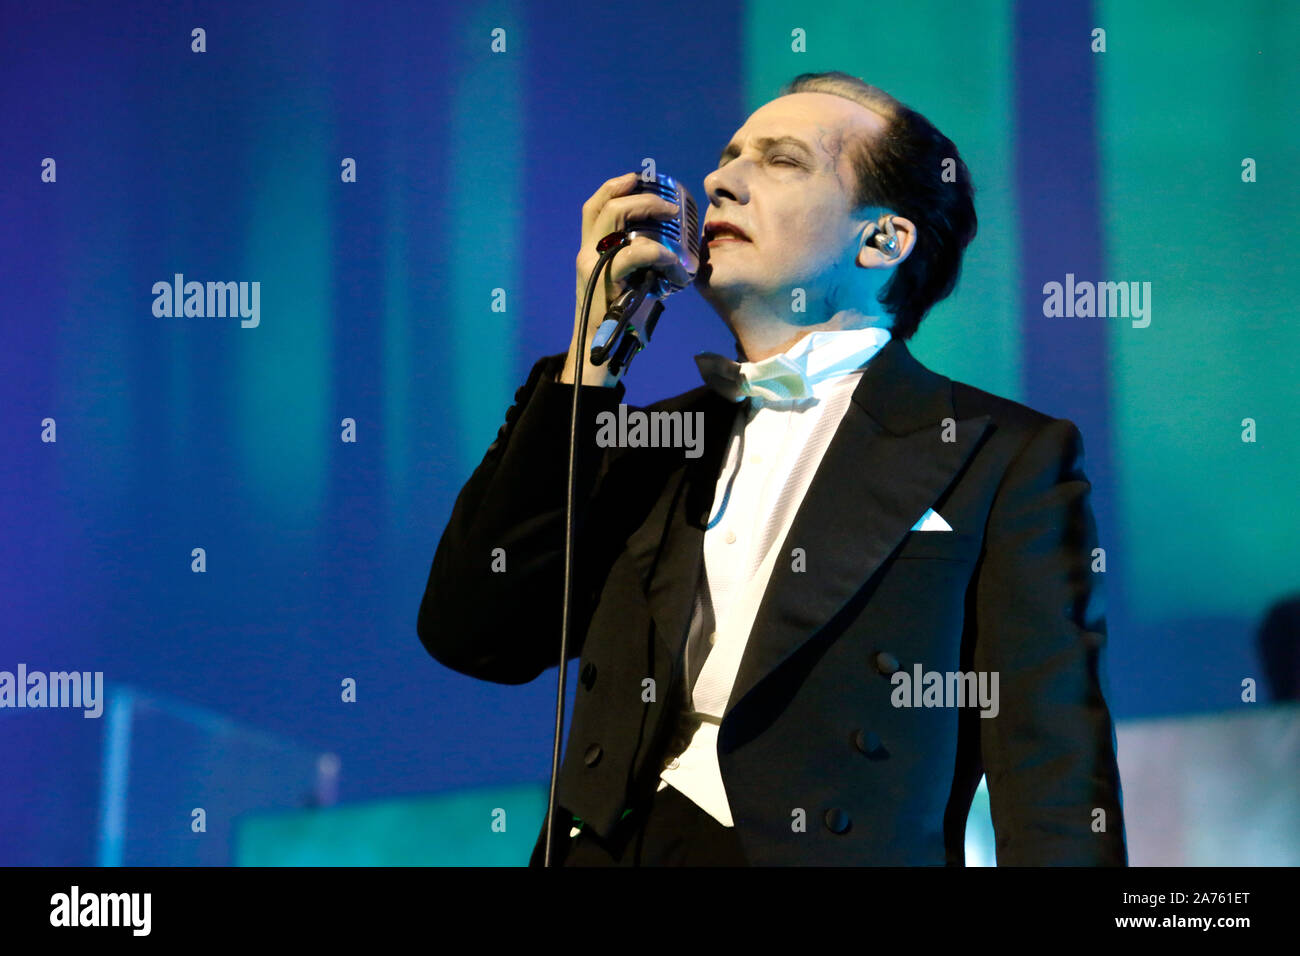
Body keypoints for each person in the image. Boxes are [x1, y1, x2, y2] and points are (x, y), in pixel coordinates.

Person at [417, 70, 1127, 866]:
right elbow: (473, 634)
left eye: (781, 161)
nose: (719, 182)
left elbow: (1053, 774)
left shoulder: (999, 453)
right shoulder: (654, 441)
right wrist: (593, 356)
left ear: (882, 240)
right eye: (727, 158)